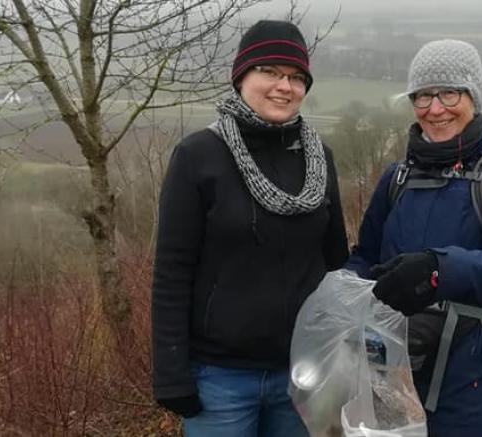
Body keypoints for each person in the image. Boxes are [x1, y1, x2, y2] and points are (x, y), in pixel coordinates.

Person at [150, 20, 349, 437]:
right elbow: (172, 271)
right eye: (270, 71)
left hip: (303, 370)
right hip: (220, 377)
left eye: (296, 77)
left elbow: (335, 263)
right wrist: (171, 372)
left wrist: (343, 350)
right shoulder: (198, 156)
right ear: (241, 76)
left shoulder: (320, 158)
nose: (284, 86)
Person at [346, 39, 482, 437]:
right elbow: (365, 258)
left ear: (474, 97)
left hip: (467, 387)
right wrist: (341, 293)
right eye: (422, 96)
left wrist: (437, 270)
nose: (435, 109)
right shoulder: (395, 180)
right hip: (389, 378)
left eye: (449, 93)